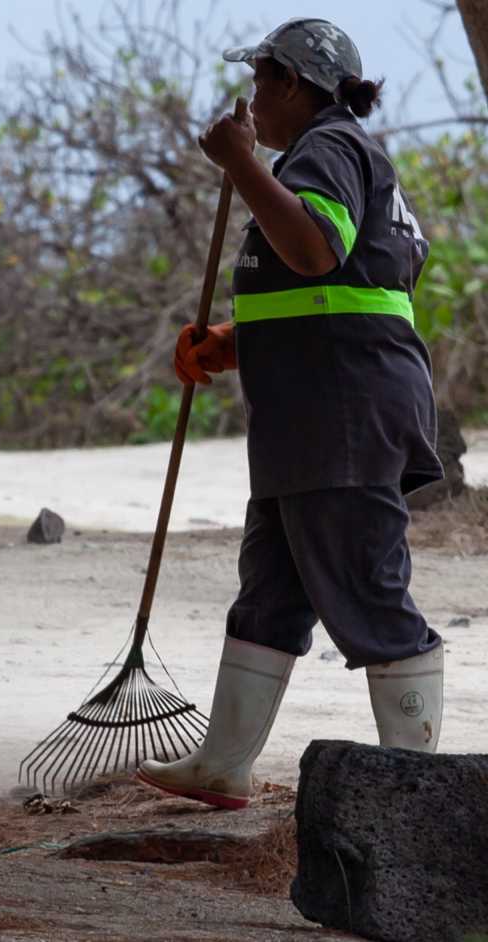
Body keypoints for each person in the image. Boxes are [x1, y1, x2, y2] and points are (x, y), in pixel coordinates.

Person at [136, 18, 445, 811]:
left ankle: (417, 789)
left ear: (292, 84)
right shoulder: (323, 157)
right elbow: (331, 294)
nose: (251, 101)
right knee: (270, 593)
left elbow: (315, 251)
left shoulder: (329, 148)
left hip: (342, 411)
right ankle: (223, 765)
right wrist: (229, 343)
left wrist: (239, 163)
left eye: (259, 82)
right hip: (313, 413)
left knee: (368, 591)